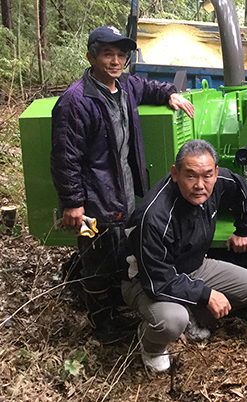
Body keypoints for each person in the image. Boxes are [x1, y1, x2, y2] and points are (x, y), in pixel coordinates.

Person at [51, 25, 195, 344]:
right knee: (95, 260)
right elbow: (64, 157)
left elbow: (148, 87)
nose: (115, 61)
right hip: (90, 205)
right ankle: (102, 326)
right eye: (107, 54)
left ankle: (114, 311)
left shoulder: (125, 86)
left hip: (122, 195)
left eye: (121, 55)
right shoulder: (75, 101)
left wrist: (169, 93)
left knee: (118, 255)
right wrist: (73, 203)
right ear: (91, 56)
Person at [121, 139, 247, 373]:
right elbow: (158, 283)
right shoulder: (154, 217)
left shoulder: (218, 181)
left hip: (192, 266)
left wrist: (244, 230)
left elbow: (245, 193)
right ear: (175, 174)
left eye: (207, 175)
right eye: (190, 176)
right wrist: (206, 294)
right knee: (171, 321)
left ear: (216, 172)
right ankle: (151, 344)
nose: (200, 185)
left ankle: (190, 315)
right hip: (145, 280)